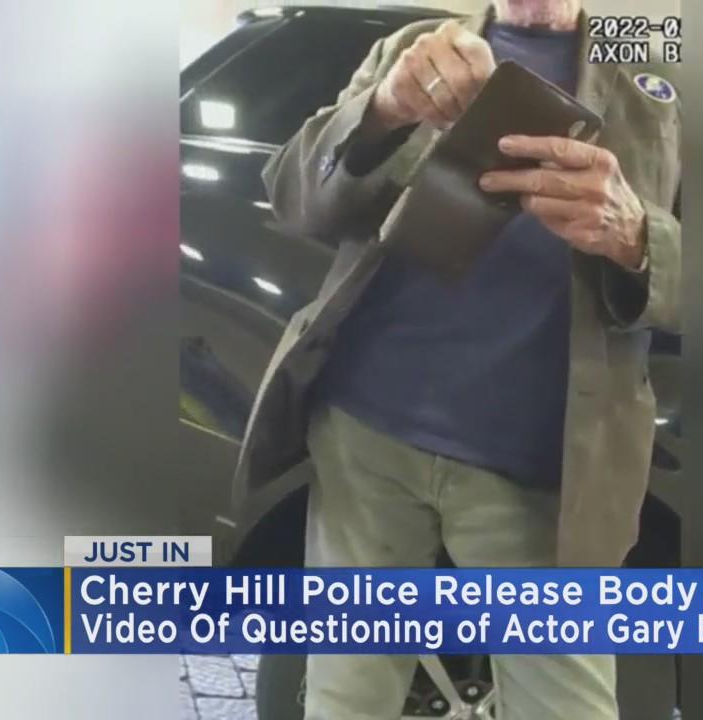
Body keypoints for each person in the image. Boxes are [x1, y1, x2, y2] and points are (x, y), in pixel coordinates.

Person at [243, 1, 681, 717]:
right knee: (343, 700)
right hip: (366, 439)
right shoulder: (413, 48)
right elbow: (294, 197)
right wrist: (382, 111)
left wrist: (639, 239)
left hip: (545, 474)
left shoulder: (661, 85)